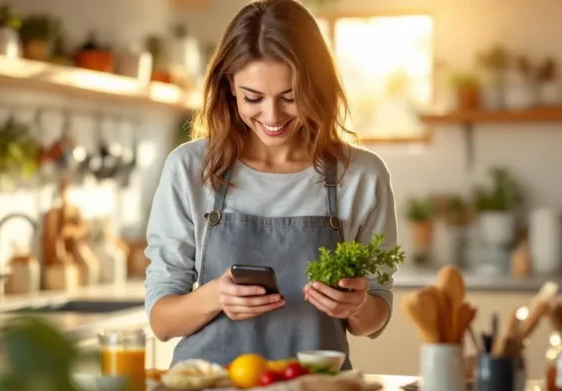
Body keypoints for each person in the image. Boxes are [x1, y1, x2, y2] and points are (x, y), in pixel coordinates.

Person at [143, 0, 399, 370]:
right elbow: (162, 321)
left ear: (317, 88)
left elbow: (375, 313)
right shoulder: (189, 168)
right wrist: (214, 297)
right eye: (253, 98)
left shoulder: (361, 175)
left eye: (290, 97)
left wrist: (357, 305)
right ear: (230, 87)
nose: (272, 115)